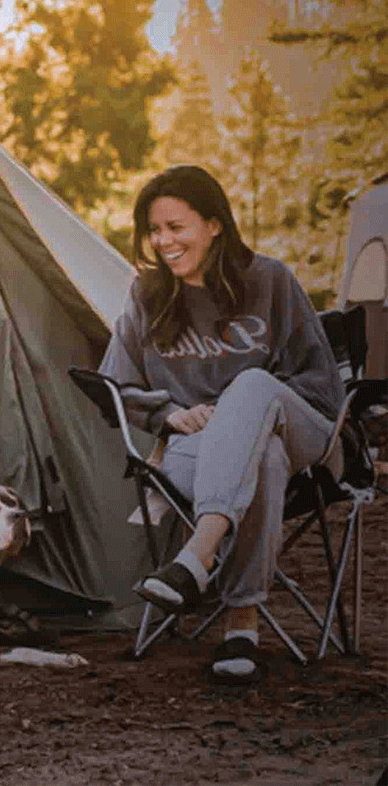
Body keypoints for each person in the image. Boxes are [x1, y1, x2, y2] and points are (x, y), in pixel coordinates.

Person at [99, 165, 344, 682]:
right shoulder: (145, 295)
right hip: (198, 449)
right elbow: (113, 388)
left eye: (176, 227)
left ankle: (197, 555)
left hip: (301, 434)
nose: (163, 241)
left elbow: (322, 384)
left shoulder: (270, 280)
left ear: (214, 225)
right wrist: (169, 414)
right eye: (154, 230)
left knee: (252, 391)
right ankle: (241, 626)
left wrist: (243, 414)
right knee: (262, 460)